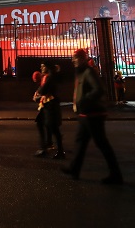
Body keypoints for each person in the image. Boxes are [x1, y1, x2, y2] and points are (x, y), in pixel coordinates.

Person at [61, 48, 123, 184]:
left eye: (76, 58)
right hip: (85, 114)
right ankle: (74, 169)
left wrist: (83, 100)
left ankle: (116, 174)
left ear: (83, 59)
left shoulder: (88, 72)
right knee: (80, 143)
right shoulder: (81, 73)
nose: (73, 60)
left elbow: (99, 89)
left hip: (93, 114)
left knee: (101, 143)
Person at [33, 61, 65, 159]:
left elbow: (44, 89)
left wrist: (38, 94)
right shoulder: (46, 77)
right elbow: (41, 88)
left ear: (47, 67)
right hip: (46, 105)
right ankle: (45, 147)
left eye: (43, 66)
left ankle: (59, 151)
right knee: (41, 123)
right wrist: (38, 93)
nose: (41, 68)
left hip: (51, 105)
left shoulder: (50, 77)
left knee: (53, 128)